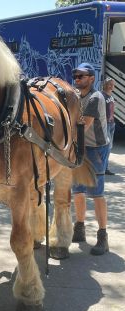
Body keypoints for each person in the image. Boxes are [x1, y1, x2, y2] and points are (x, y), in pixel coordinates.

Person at [71, 63, 110, 255]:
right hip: (81, 148)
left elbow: (83, 126)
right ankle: (79, 228)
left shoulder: (95, 98)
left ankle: (103, 236)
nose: (77, 79)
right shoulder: (77, 97)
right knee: (78, 191)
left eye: (81, 76)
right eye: (75, 75)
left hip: (96, 149)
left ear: (92, 78)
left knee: (96, 194)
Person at [102, 77, 116, 175]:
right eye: (109, 84)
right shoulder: (102, 95)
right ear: (105, 85)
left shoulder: (111, 96)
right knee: (105, 147)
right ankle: (102, 168)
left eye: (112, 84)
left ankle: (105, 167)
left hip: (112, 124)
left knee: (109, 147)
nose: (111, 86)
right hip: (105, 124)